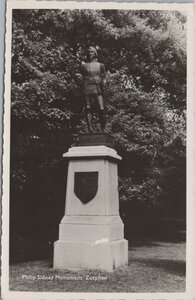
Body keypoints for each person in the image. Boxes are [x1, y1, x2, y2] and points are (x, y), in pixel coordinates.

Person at [76, 46, 106, 132]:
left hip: (97, 87)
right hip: (87, 87)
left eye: (92, 52)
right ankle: (90, 128)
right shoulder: (83, 65)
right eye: (88, 52)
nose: (90, 54)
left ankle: (103, 128)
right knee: (88, 107)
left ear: (95, 53)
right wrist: (78, 77)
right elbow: (79, 75)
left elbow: (104, 76)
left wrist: (104, 81)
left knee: (101, 108)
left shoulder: (101, 65)